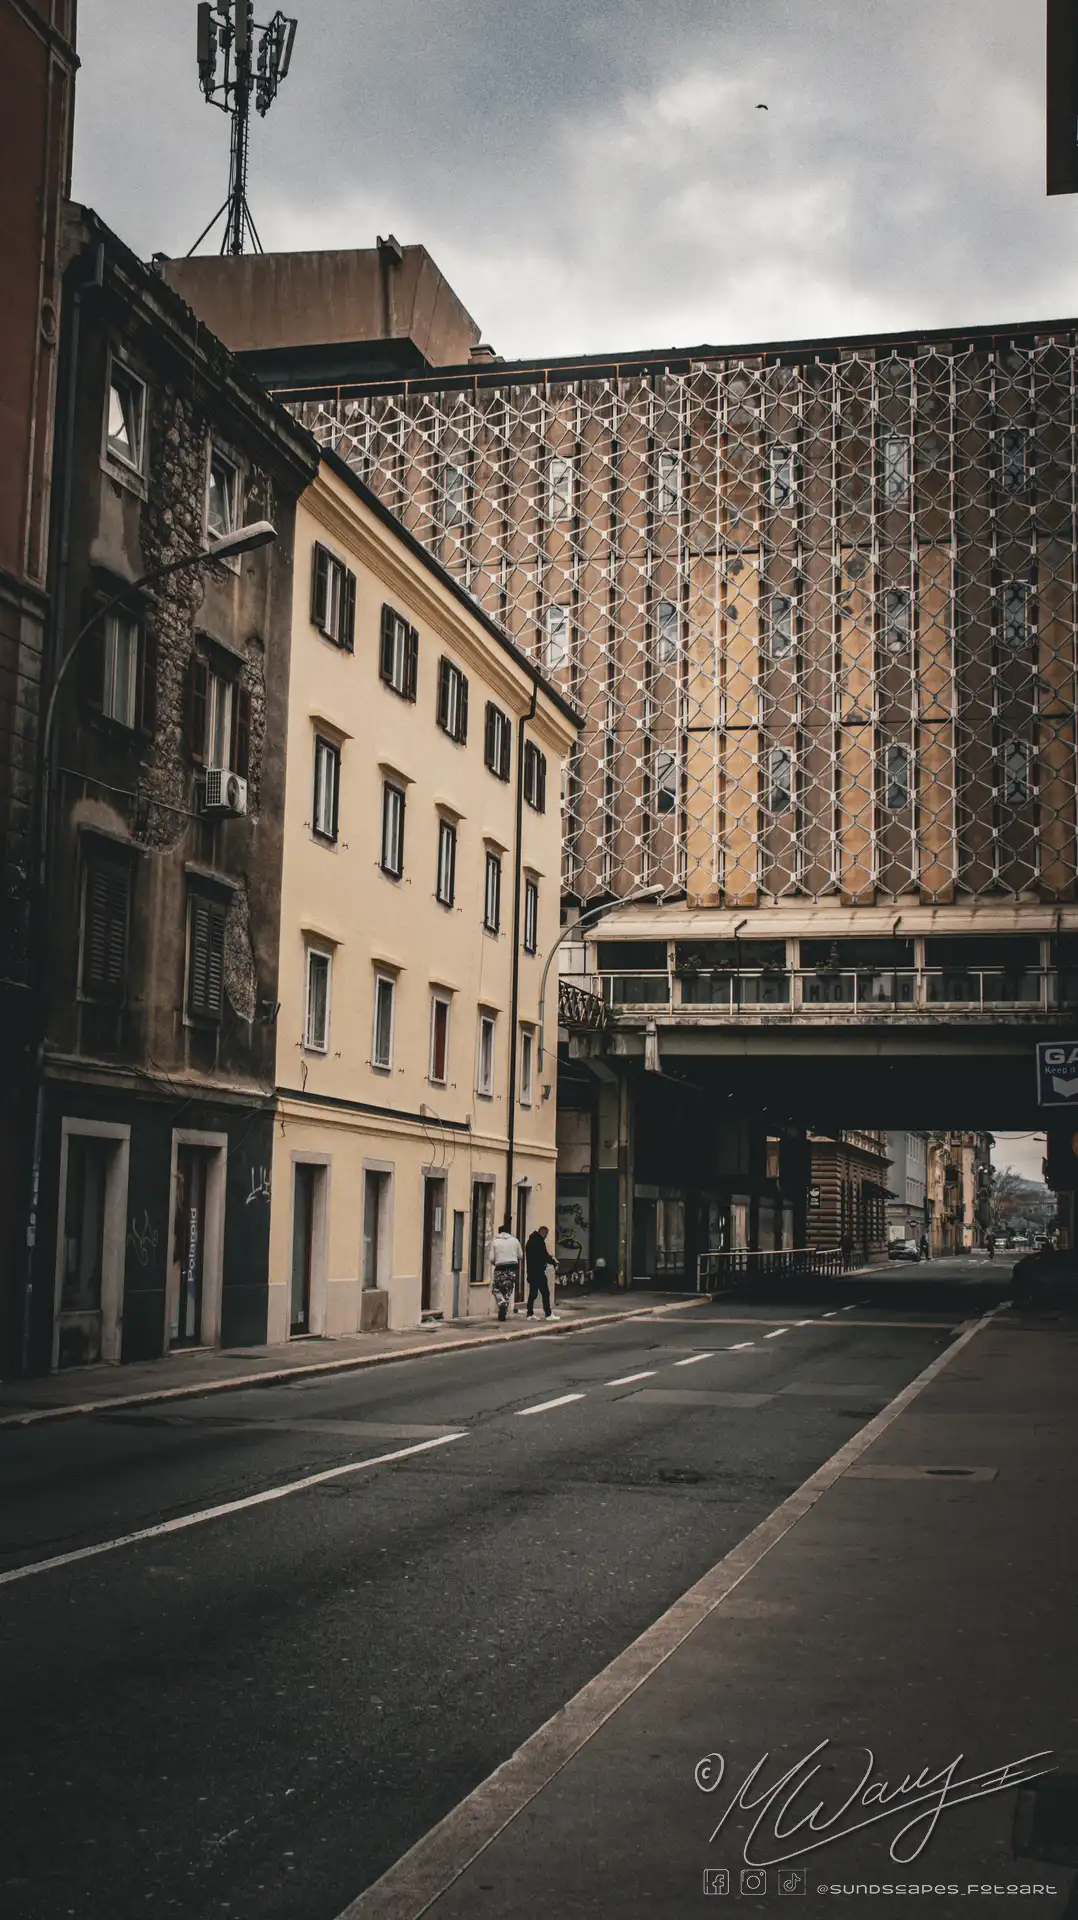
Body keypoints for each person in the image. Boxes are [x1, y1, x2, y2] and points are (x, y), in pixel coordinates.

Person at [488, 1224, 523, 1322]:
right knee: (508, 1289)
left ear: (499, 1232)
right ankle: (504, 1305)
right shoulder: (515, 1241)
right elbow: (520, 1255)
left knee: (496, 1288)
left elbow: (491, 1258)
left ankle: (501, 1302)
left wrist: (496, 1262)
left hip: (500, 1267)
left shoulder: (495, 1242)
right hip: (512, 1267)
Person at [524, 1225, 559, 1320]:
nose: (546, 1237)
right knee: (545, 1293)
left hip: (531, 1271)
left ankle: (530, 1313)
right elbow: (543, 1255)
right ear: (543, 1232)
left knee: (533, 1293)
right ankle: (548, 1314)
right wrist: (552, 1261)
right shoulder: (539, 1242)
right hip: (538, 1271)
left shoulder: (530, 1241)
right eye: (546, 1235)